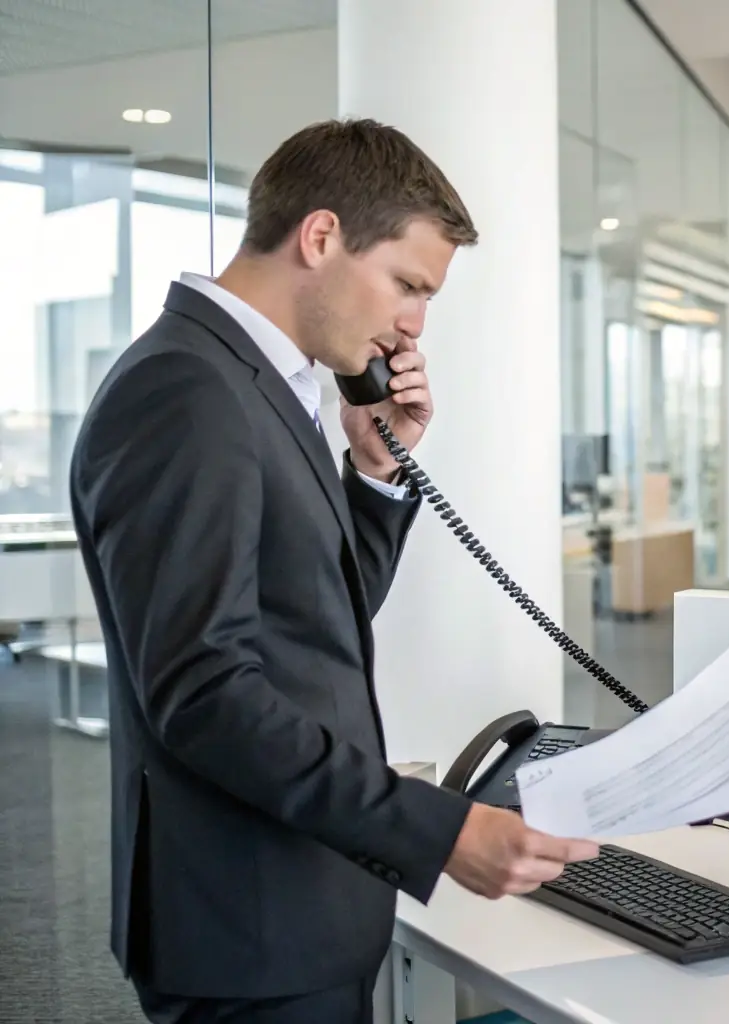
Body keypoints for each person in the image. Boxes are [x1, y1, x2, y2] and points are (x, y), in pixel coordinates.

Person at [69, 119, 598, 1023]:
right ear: (319, 238)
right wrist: (438, 829)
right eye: (407, 284)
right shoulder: (187, 392)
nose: (412, 323)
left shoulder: (259, 384)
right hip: (249, 922)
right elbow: (204, 693)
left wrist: (379, 471)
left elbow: (308, 617)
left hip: (299, 891)